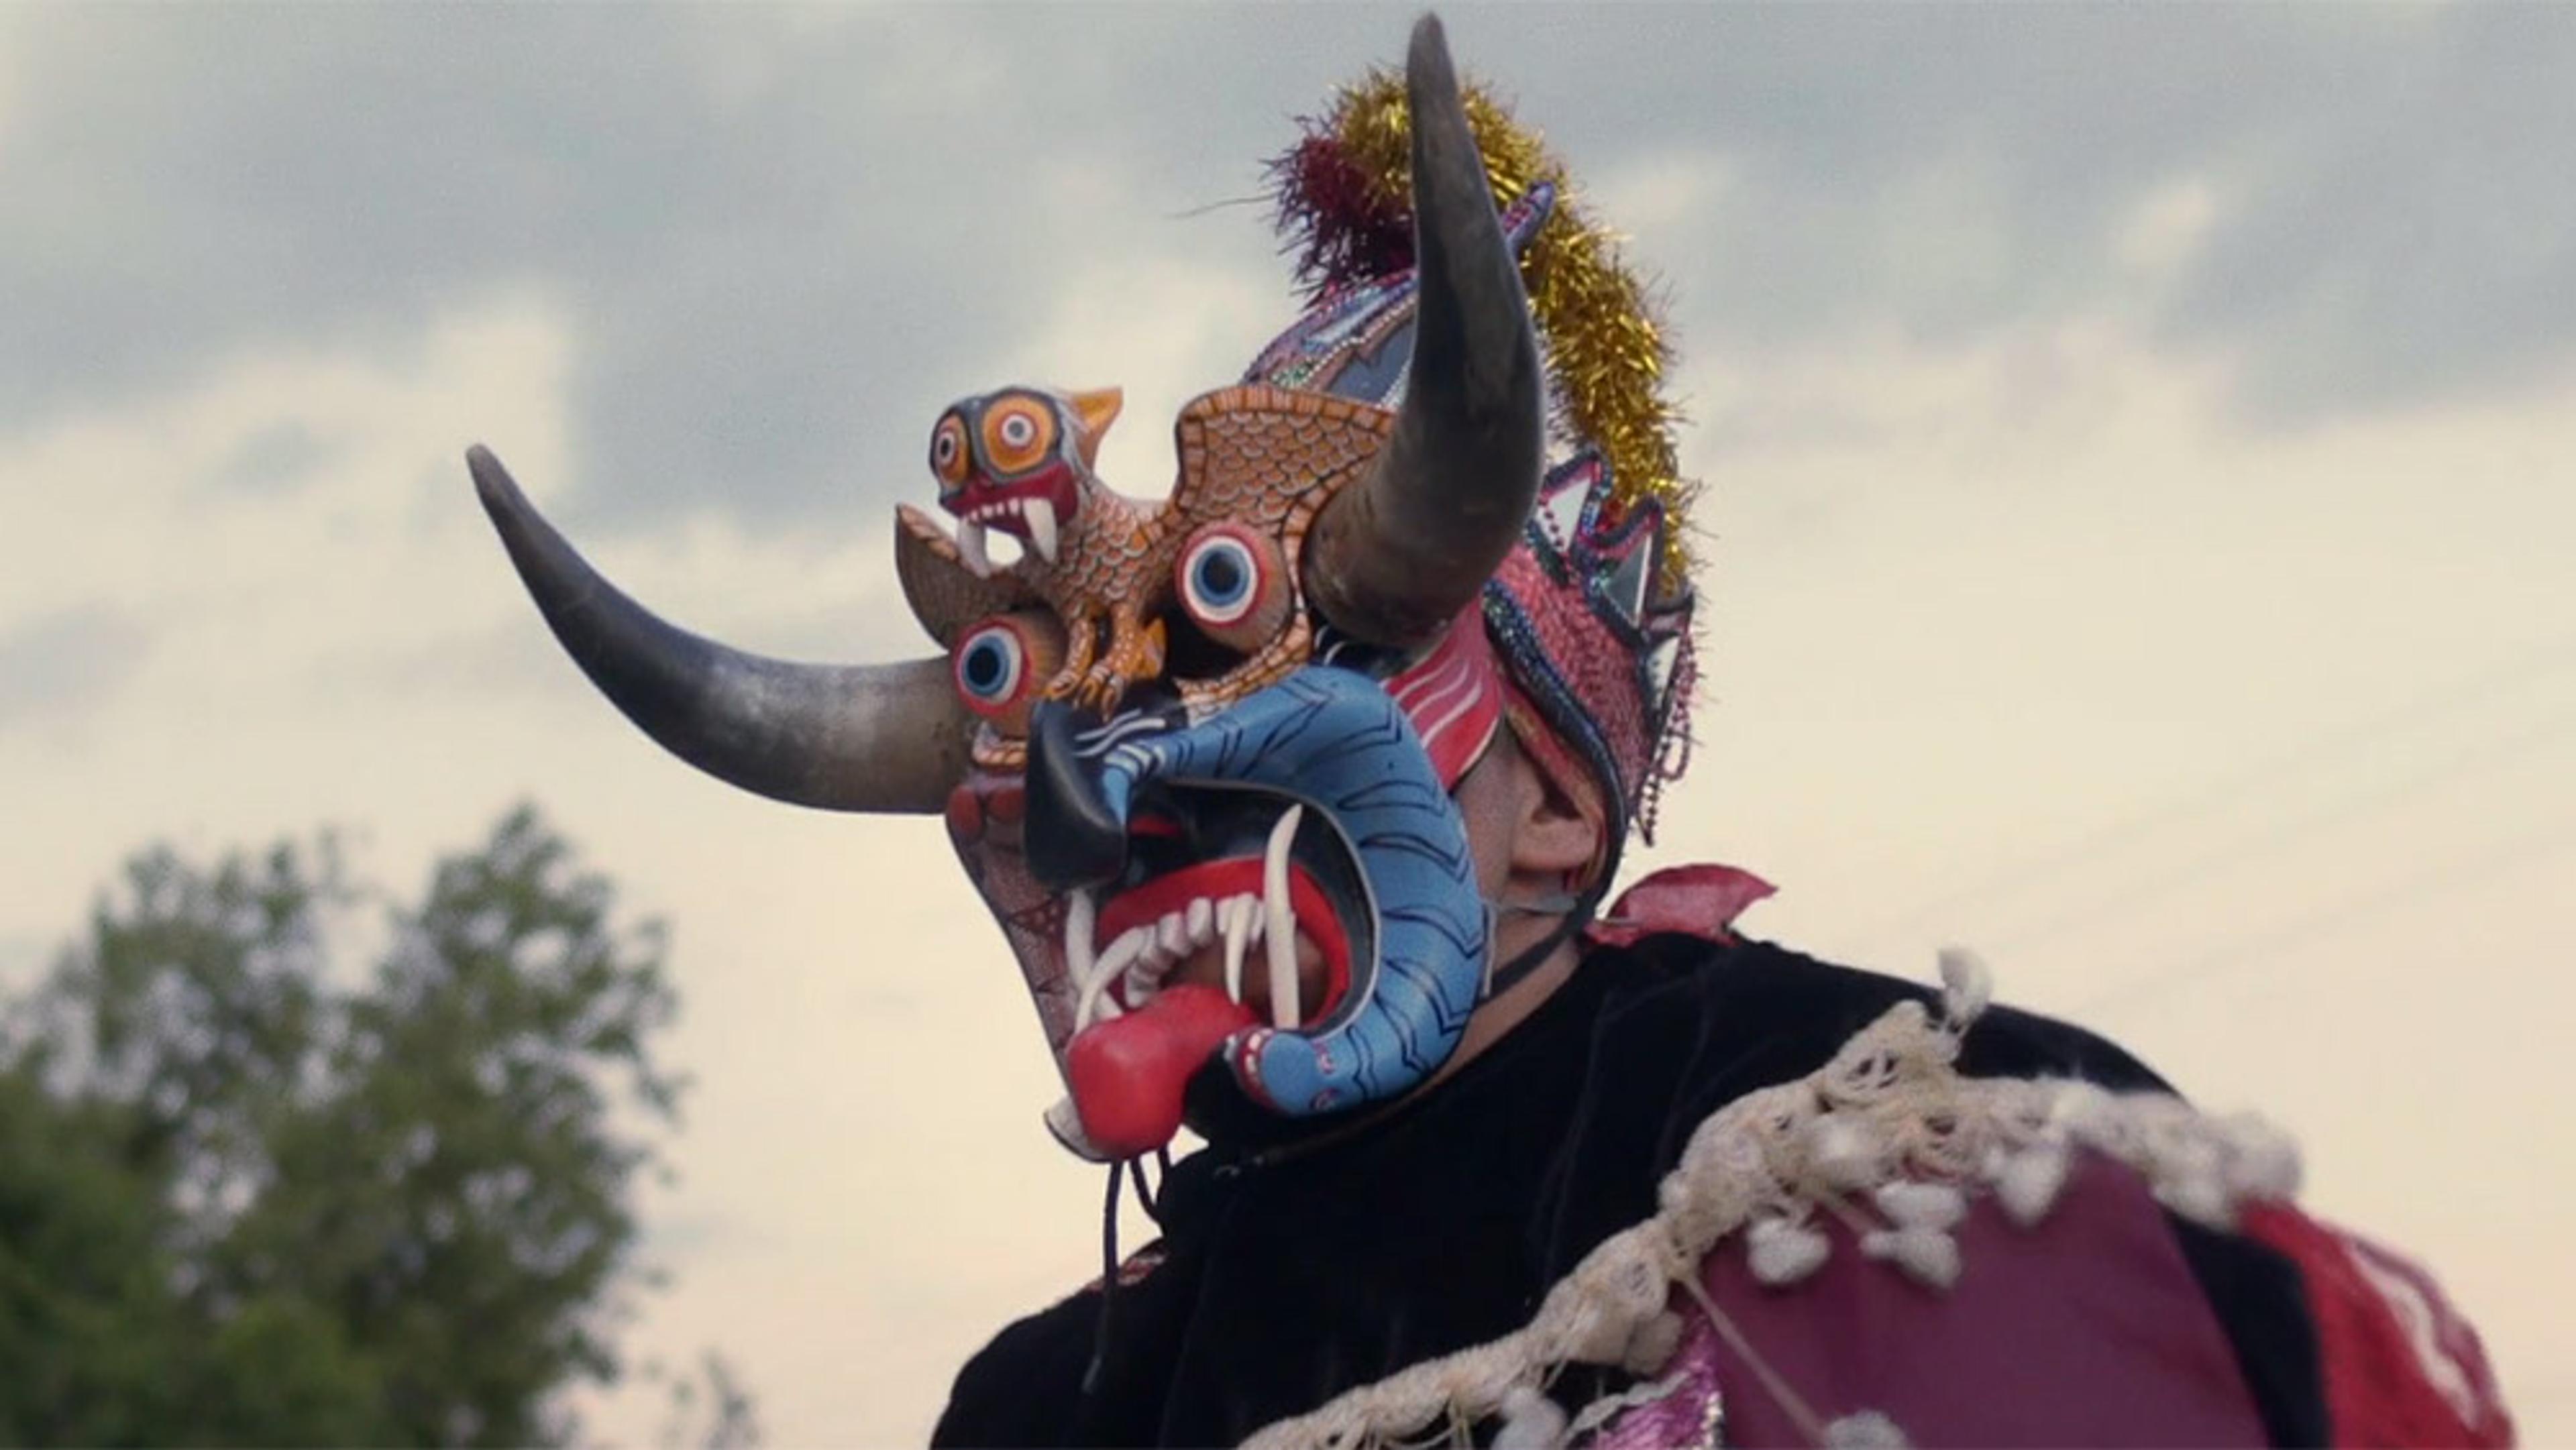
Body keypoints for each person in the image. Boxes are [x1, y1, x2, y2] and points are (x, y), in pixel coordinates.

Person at [471, 16, 2512, 1448]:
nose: (1121, 806)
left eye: (1283, 678)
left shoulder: (1863, 1156)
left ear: (1548, 804)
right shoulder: (1054, 1408)